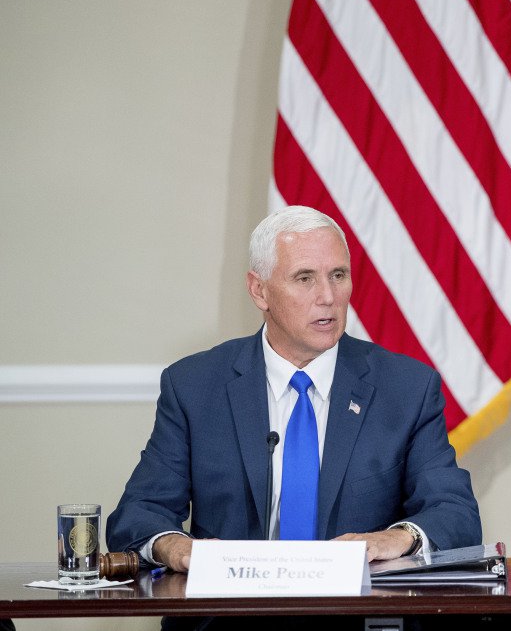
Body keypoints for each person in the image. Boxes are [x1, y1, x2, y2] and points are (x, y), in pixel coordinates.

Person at [107, 206, 481, 575]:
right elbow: (138, 513)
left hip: (357, 618)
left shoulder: (406, 388)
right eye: (304, 278)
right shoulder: (194, 386)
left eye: (338, 275)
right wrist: (177, 547)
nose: (328, 296)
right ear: (259, 291)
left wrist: (399, 537)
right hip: (230, 620)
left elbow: (455, 513)